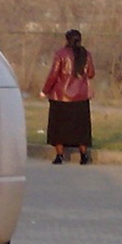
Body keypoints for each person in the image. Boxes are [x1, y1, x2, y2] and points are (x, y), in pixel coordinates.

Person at [40, 28, 96, 164]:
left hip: (61, 97)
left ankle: (59, 156)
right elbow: (91, 74)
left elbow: (54, 74)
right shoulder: (86, 54)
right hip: (81, 98)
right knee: (81, 129)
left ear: (67, 40)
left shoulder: (61, 54)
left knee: (59, 128)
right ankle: (84, 156)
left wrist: (45, 90)